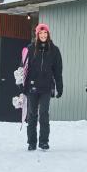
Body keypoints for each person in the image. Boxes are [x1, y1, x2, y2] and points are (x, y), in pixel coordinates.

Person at [23, 23, 63, 151]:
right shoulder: (30, 49)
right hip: (32, 87)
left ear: (48, 34)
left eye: (45, 33)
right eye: (40, 33)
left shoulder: (54, 50)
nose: (43, 35)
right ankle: (32, 142)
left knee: (44, 114)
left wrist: (59, 86)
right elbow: (23, 69)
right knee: (32, 115)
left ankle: (44, 142)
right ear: (37, 35)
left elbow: (58, 70)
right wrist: (22, 86)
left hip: (46, 87)